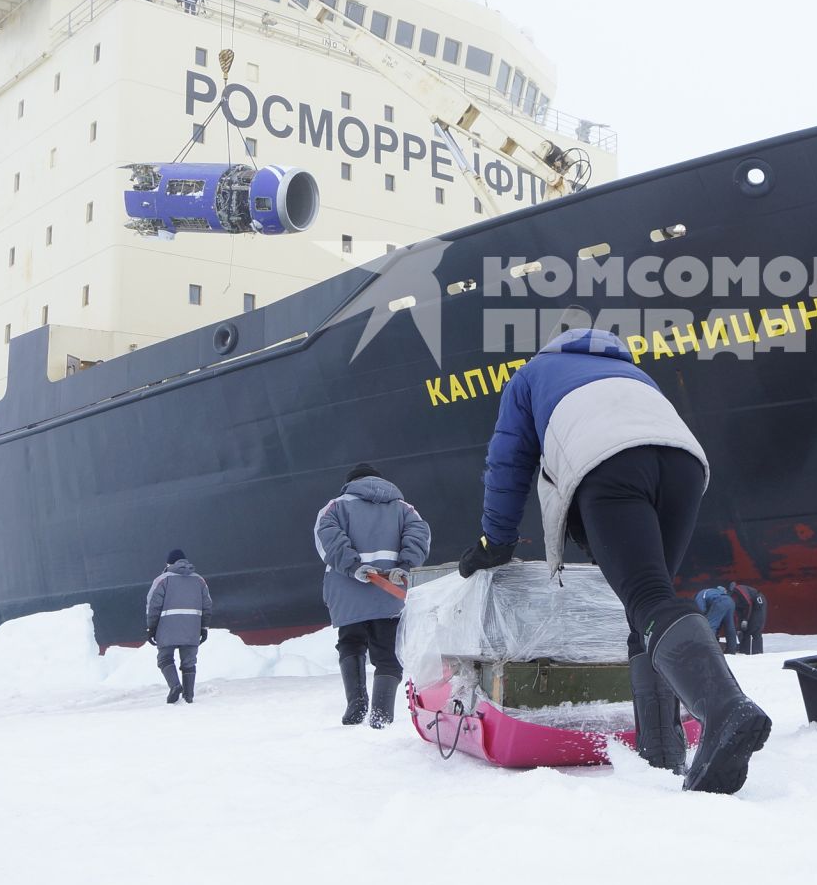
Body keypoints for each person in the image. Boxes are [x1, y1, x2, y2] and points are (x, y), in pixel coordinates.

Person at [458, 327, 772, 794]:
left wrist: (494, 542)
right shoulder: (632, 372)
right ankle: (662, 754)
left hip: (609, 463)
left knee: (646, 597)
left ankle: (723, 708)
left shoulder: (531, 375)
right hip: (684, 468)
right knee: (649, 605)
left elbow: (508, 463)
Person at [314, 463, 431, 727]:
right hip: (390, 589)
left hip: (348, 590)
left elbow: (328, 541)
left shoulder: (336, 507)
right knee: (388, 654)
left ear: (350, 484)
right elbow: (419, 536)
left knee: (351, 643)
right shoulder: (404, 508)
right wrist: (405, 567)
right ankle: (381, 715)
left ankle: (356, 704)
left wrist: (354, 566)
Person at [146, 549, 212, 705]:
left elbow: (153, 606)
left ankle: (175, 686)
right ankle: (189, 696)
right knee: (189, 662)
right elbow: (207, 606)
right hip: (191, 629)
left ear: (169, 563)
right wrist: (204, 627)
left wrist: (151, 628)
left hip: (167, 629)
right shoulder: (199, 580)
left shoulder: (162, 580)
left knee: (164, 659)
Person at [694, 586, 738, 654]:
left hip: (720, 601)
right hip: (731, 601)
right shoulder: (717, 592)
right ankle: (731, 650)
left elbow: (701, 610)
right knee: (729, 627)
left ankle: (709, 649)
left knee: (710, 626)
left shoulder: (701, 594)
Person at [728, 581, 768, 655]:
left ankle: (757, 653)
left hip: (758, 605)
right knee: (744, 630)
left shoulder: (739, 590)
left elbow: (748, 604)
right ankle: (744, 651)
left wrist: (745, 620)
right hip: (748, 608)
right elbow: (737, 614)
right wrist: (738, 627)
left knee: (756, 628)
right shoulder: (731, 598)